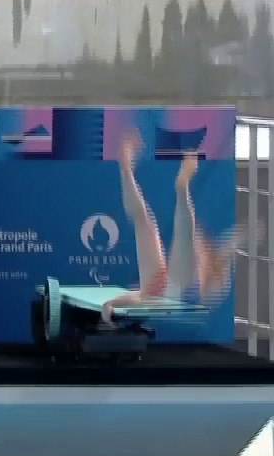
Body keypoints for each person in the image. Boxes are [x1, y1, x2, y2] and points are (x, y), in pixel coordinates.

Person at [102, 129, 248, 321]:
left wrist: (113, 303)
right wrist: (112, 303)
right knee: (149, 225)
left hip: (168, 292)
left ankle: (130, 171)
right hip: (163, 290)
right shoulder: (205, 274)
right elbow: (141, 297)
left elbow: (141, 298)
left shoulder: (208, 279)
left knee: (150, 225)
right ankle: (134, 172)